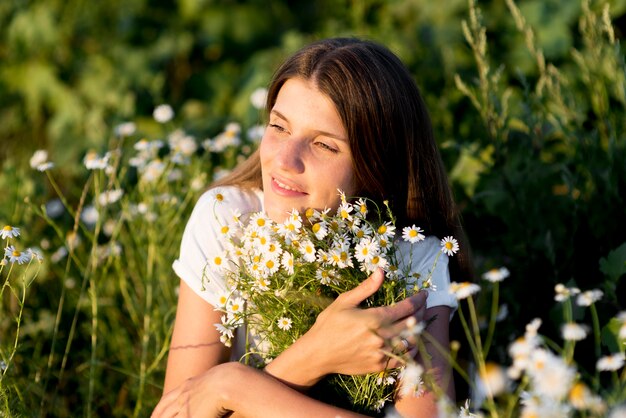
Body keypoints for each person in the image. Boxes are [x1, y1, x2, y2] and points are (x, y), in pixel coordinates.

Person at [152, 37, 471, 417]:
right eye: (279, 127)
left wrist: (231, 389)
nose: (285, 160)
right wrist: (314, 355)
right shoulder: (227, 220)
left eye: (324, 145)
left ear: (376, 169)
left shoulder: (412, 257)